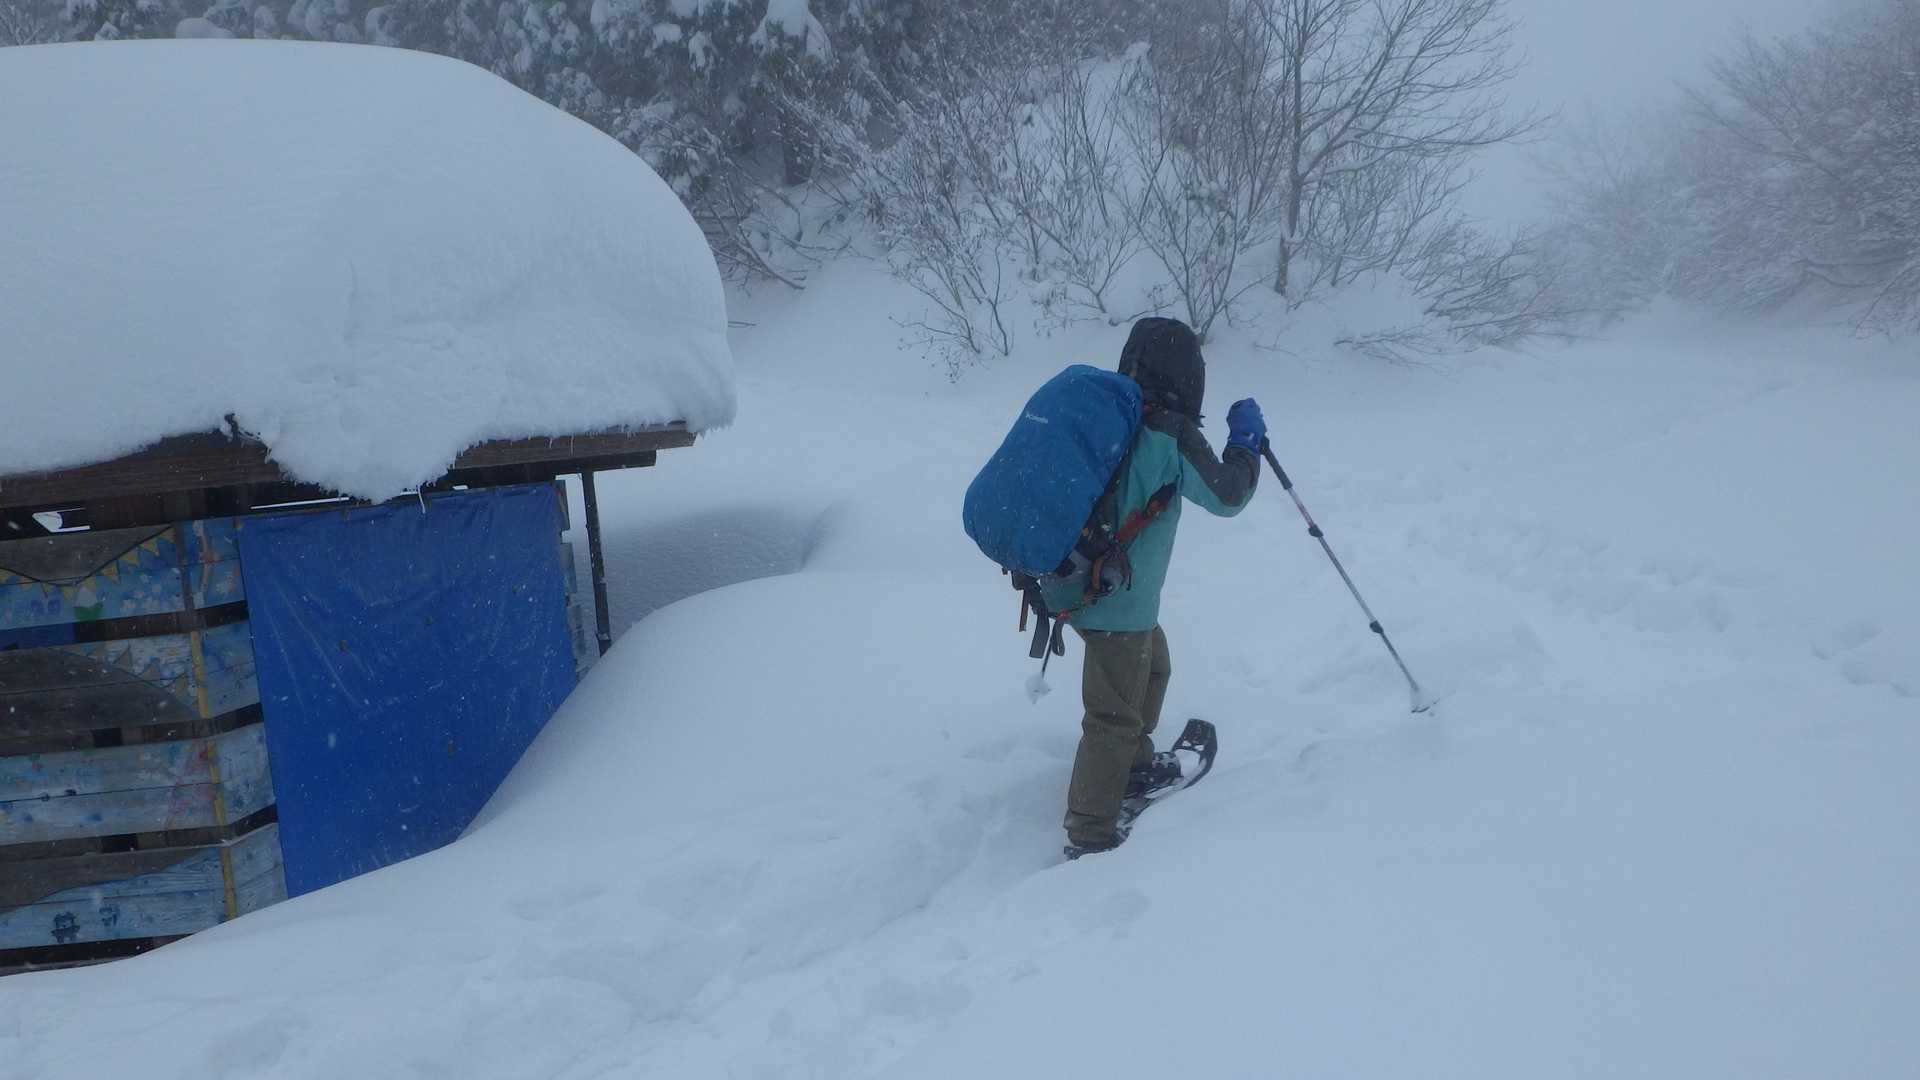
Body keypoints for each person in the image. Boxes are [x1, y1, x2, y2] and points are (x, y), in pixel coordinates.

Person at [1042, 316, 1264, 858]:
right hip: (1116, 602)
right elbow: (1228, 495)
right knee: (1112, 715)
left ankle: (1132, 764)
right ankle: (1090, 832)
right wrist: (1245, 443)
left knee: (1154, 665)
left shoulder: (1108, 414)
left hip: (1071, 581)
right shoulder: (1171, 432)